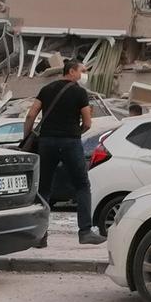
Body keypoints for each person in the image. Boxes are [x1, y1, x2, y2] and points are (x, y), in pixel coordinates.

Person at [24, 59, 100, 245]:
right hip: (70, 142)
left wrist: (27, 136)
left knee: (44, 188)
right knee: (82, 185)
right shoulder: (80, 92)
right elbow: (87, 122)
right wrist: (75, 133)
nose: (83, 75)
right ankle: (85, 232)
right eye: (82, 71)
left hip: (47, 142)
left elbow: (31, 115)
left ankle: (40, 235)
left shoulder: (46, 89)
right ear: (72, 71)